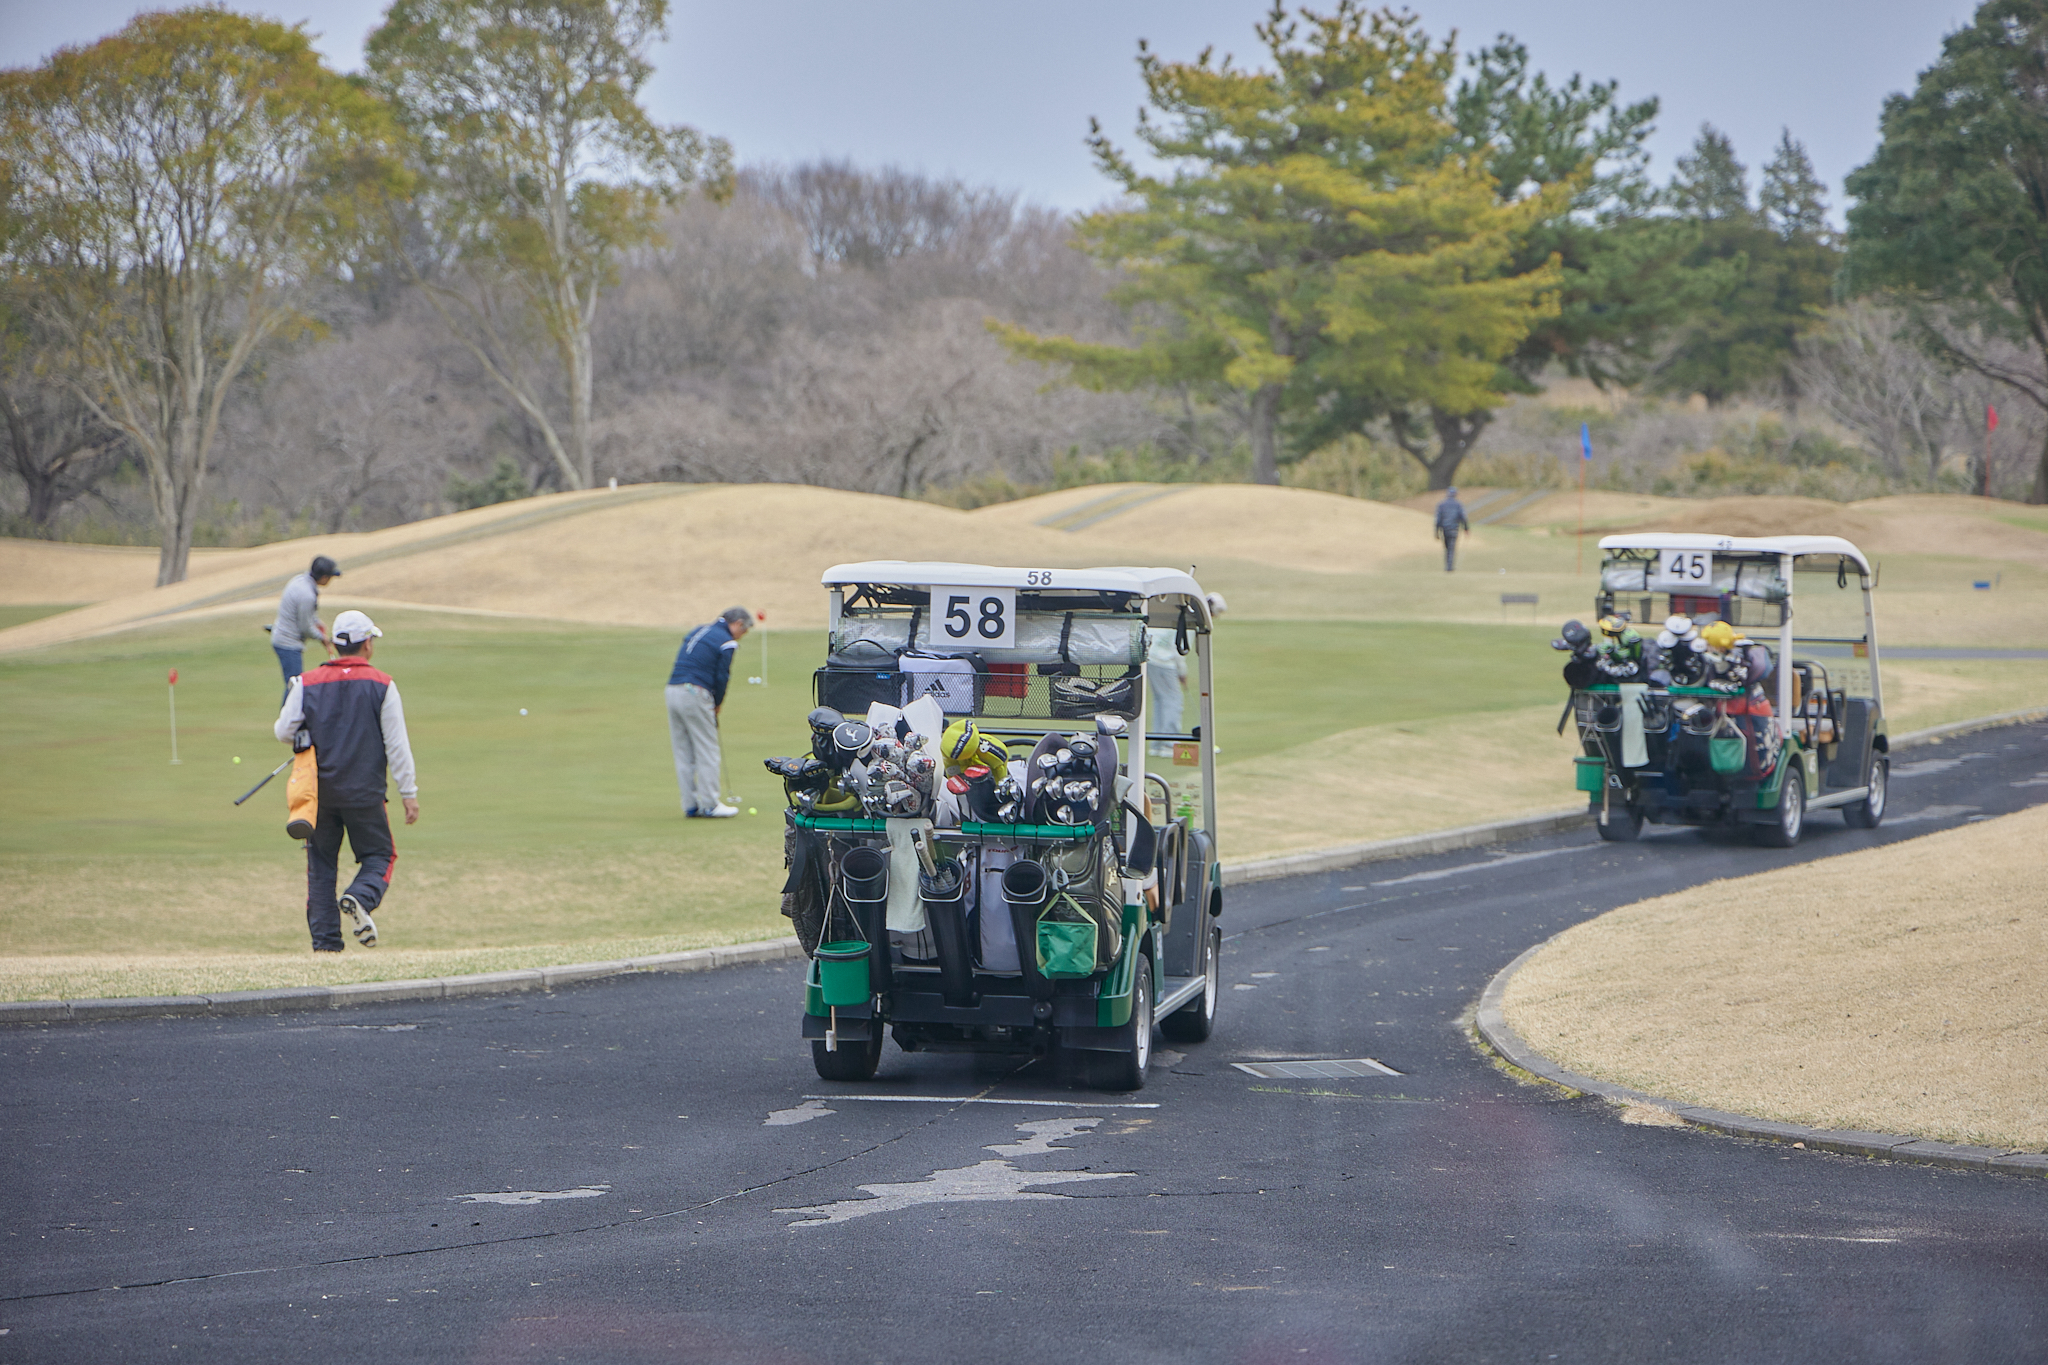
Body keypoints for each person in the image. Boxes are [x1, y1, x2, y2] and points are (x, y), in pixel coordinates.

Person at [273, 610, 418, 952]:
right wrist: (408, 792)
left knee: (321, 865)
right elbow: (397, 745)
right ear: (367, 644)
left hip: (319, 794)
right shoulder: (383, 684)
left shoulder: (306, 682)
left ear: (337, 646)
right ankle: (359, 897)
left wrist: (306, 737)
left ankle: (325, 945)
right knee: (381, 854)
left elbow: (283, 731)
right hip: (365, 793)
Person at [667, 606, 752, 818]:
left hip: (672, 691)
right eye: (744, 631)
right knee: (707, 750)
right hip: (695, 692)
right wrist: (717, 703)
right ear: (738, 624)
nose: (742, 637)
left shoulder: (699, 630)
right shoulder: (726, 641)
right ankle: (711, 804)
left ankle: (690, 804)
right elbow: (722, 676)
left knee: (683, 750)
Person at [270, 555, 339, 701]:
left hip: (283, 638)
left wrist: (317, 622)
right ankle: (286, 723)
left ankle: (291, 722)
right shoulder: (307, 594)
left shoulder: (300, 581)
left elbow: (308, 615)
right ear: (324, 577)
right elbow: (306, 627)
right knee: (294, 687)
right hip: (288, 643)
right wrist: (323, 638)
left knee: (294, 685)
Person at [1433, 489, 1470, 572]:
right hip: (1454, 529)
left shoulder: (1441, 505)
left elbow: (1438, 520)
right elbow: (1463, 518)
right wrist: (1466, 529)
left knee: (1447, 547)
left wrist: (1436, 532)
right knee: (1451, 547)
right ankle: (1449, 567)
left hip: (1444, 529)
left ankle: (1448, 566)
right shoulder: (1458, 505)